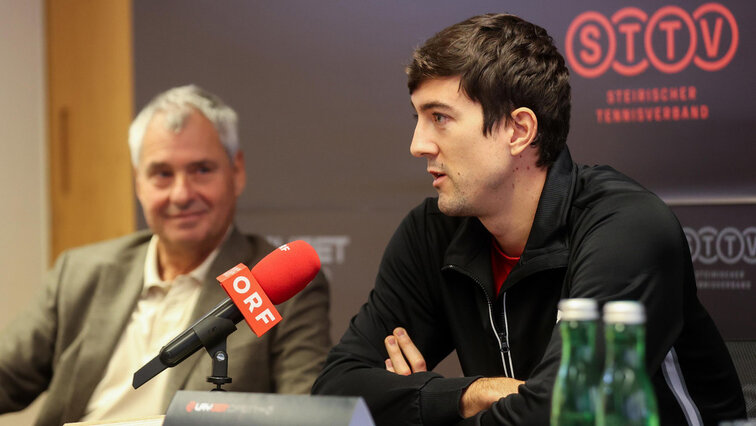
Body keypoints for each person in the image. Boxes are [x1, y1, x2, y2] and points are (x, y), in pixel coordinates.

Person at [312, 14, 746, 425]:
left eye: (439, 118)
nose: (418, 145)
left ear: (518, 131)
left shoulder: (626, 227)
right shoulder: (433, 232)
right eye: (418, 118)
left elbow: (563, 413)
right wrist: (471, 394)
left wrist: (415, 410)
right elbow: (335, 393)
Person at [0, 85, 331, 425]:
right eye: (162, 174)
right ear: (138, 182)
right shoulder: (81, 272)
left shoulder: (280, 289)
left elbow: (306, 413)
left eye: (202, 169)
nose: (181, 194)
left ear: (237, 171)